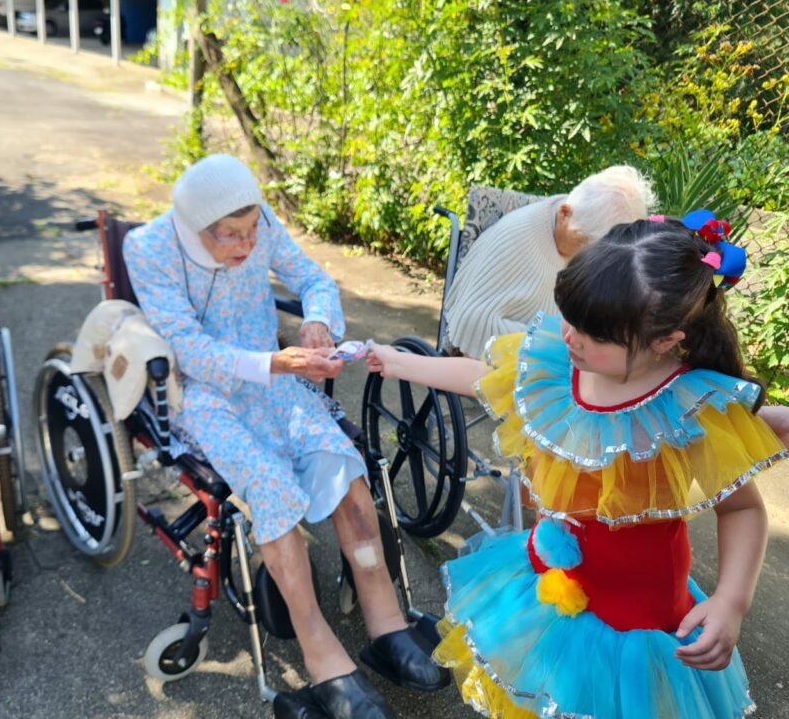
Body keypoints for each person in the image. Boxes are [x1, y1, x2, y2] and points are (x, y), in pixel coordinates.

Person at [366, 216, 787, 718]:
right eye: (568, 316)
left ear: (665, 340)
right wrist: (396, 362)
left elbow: (740, 509)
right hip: (546, 590)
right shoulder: (559, 362)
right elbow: (483, 375)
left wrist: (731, 602)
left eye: (593, 333)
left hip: (638, 625)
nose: (569, 336)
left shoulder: (693, 408)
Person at [124, 154, 448, 719]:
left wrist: (319, 320)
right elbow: (190, 348)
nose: (247, 245)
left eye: (253, 230)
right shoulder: (149, 248)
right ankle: (322, 657)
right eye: (231, 236)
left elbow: (314, 279)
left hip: (278, 380)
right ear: (196, 227)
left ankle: (386, 625)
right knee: (270, 488)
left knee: (347, 471)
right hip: (207, 393)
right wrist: (275, 364)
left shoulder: (258, 222)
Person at [443, 165, 654, 357]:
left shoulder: (584, 219)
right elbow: (471, 322)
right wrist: (552, 342)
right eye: (583, 242)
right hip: (489, 360)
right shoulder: (516, 237)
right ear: (564, 214)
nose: (588, 258)